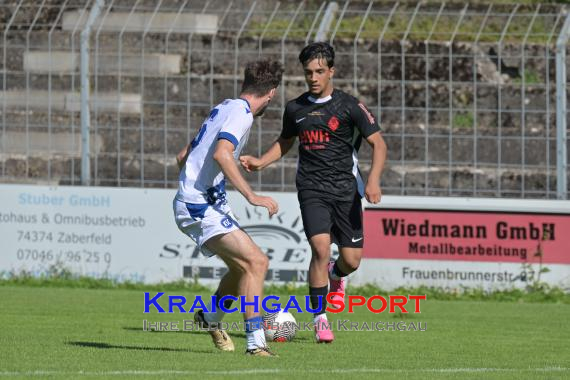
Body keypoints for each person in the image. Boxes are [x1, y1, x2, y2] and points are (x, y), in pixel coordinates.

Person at [240, 42, 387, 343]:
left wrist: (372, 180)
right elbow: (285, 142)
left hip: (347, 192)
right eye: (308, 73)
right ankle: (320, 318)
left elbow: (379, 144)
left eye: (320, 71)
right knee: (320, 249)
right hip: (311, 189)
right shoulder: (296, 108)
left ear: (331, 71)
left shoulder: (350, 106)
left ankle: (336, 274)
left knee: (352, 260)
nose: (314, 78)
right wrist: (261, 161)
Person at [173, 59, 284, 356]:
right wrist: (252, 196)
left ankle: (210, 318)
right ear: (271, 93)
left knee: (241, 268)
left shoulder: (224, 106)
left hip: (203, 201)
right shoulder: (242, 114)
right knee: (258, 263)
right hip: (200, 205)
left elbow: (183, 155)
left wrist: (194, 179)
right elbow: (224, 154)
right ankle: (255, 343)